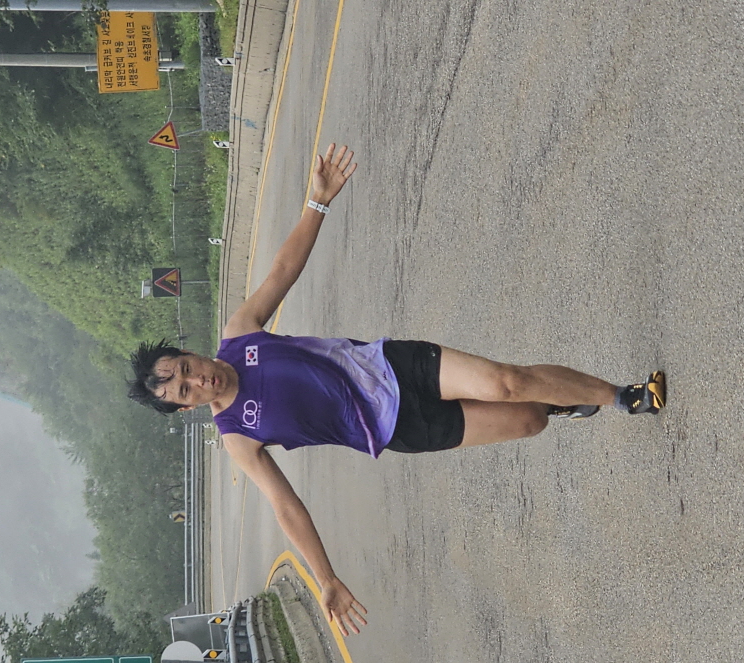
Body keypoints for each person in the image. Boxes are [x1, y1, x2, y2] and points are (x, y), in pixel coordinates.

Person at [128, 144, 665, 637]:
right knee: (529, 419)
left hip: (393, 367)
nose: (198, 381)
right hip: (397, 428)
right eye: (185, 391)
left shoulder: (241, 333)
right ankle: (560, 400)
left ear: (189, 353)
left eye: (186, 368)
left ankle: (623, 395)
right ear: (186, 407)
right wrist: (326, 579)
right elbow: (286, 507)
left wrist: (317, 202)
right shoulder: (237, 437)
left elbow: (284, 269)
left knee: (505, 382)